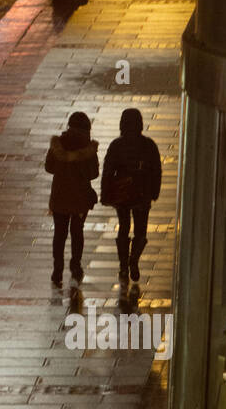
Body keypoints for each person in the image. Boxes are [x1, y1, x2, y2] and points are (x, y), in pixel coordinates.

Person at [101, 108, 162, 286]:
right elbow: (156, 171)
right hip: (142, 195)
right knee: (140, 231)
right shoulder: (149, 145)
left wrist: (105, 194)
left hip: (123, 195)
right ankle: (134, 259)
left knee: (124, 227)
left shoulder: (116, 145)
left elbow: (108, 171)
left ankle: (123, 265)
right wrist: (154, 191)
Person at [44, 111, 99, 287]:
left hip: (60, 197)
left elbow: (49, 168)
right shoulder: (89, 149)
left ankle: (57, 269)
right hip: (80, 199)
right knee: (77, 233)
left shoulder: (58, 145)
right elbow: (94, 174)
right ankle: (75, 266)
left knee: (59, 234)